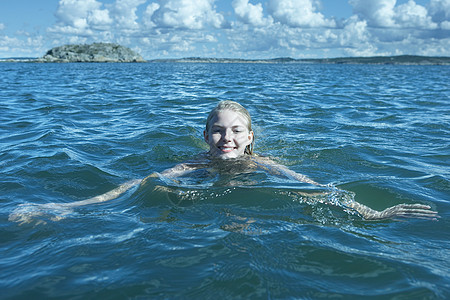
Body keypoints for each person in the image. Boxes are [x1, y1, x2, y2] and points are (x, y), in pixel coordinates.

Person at [9, 101, 438, 224]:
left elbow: (312, 185)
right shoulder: (195, 164)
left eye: (235, 131)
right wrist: (64, 208)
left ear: (250, 139)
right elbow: (135, 184)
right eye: (217, 130)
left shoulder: (263, 165)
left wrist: (372, 212)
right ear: (205, 137)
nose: (225, 138)